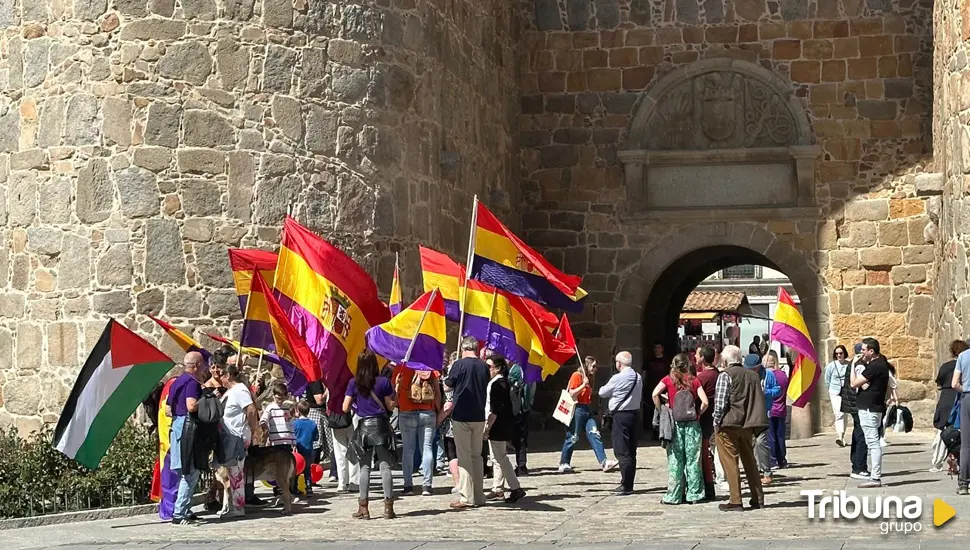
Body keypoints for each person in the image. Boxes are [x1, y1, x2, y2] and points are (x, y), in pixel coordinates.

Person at [712, 345, 767, 511]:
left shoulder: (725, 376)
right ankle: (758, 497)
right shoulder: (753, 375)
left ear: (727, 360)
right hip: (748, 423)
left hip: (729, 424)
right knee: (750, 461)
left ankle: (735, 499)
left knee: (730, 462)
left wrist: (716, 423)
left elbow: (720, 403)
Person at [344, 350, 397, 519]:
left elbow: (345, 407)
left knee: (364, 468)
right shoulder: (384, 382)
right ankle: (388, 507)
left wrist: (357, 407)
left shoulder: (353, 383)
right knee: (385, 467)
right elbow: (390, 406)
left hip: (364, 427)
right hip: (381, 426)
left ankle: (363, 508)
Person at [652, 353, 708, 505]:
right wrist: (698, 413)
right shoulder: (694, 380)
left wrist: (663, 409)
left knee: (676, 460)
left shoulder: (668, 380)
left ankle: (674, 495)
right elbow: (705, 402)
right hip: (692, 425)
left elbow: (655, 394)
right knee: (693, 460)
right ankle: (694, 494)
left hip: (675, 424)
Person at [445, 337, 490, 509]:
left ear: (463, 349)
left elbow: (448, 386)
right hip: (479, 415)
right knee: (477, 456)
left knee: (464, 457)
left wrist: (449, 373)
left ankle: (466, 497)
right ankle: (479, 495)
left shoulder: (459, 364)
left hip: (462, 415)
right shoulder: (483, 366)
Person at [559, 357, 618, 473]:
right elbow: (571, 393)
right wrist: (583, 385)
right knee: (573, 437)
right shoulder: (577, 375)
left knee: (594, 434)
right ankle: (564, 463)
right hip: (577, 409)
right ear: (587, 365)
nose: (595, 369)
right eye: (593, 366)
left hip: (587, 409)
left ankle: (604, 461)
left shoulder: (589, 378)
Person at [214, 364, 259, 518]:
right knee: (231, 470)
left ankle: (238, 507)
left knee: (236, 471)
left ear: (228, 375)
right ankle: (233, 505)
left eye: (221, 374)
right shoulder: (230, 391)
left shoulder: (240, 389)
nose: (219, 378)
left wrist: (253, 430)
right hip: (229, 436)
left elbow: (251, 409)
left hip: (237, 435)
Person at [166, 351, 205, 525]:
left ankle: (185, 509)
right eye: (202, 364)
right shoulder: (192, 382)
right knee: (190, 473)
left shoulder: (177, 382)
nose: (203, 367)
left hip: (176, 427)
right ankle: (180, 513)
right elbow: (191, 406)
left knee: (183, 471)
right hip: (187, 429)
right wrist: (207, 401)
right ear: (196, 365)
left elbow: (167, 409)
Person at [483, 356, 527, 503]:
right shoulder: (500, 382)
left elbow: (495, 409)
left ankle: (515, 487)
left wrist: (487, 427)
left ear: (498, 368)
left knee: (500, 457)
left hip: (498, 424)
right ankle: (498, 488)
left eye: (489, 367)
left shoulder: (498, 384)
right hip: (501, 423)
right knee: (496, 457)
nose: (487, 369)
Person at [393, 362, 441, 496]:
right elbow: (437, 392)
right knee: (427, 448)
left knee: (408, 450)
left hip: (406, 412)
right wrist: (438, 411)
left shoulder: (401, 367)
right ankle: (427, 485)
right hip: (427, 412)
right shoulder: (429, 366)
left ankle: (408, 485)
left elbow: (394, 390)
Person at [599, 351, 642, 496]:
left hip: (621, 416)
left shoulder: (617, 378)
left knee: (622, 450)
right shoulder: (638, 377)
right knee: (631, 450)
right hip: (635, 415)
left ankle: (626, 485)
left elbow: (602, 392)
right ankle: (629, 482)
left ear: (619, 363)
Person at [851, 337, 891, 488]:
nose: (862, 353)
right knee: (872, 441)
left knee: (873, 443)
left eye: (864, 350)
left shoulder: (875, 366)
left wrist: (853, 366)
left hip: (869, 408)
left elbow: (854, 383)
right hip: (873, 407)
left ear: (871, 351)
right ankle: (875, 475)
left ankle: (875, 477)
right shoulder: (879, 364)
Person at [744, 353, 778, 485]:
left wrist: (766, 392)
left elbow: (778, 390)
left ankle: (767, 472)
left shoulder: (768, 375)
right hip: (748, 414)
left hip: (764, 412)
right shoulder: (746, 375)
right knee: (751, 444)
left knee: (761, 442)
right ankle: (755, 472)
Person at [695, 346, 720, 501]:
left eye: (698, 356)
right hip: (715, 418)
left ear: (703, 358)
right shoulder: (719, 374)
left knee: (704, 454)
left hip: (704, 419)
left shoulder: (703, 378)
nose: (696, 358)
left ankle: (708, 486)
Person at [842, 343, 870, 480]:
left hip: (853, 404)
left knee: (857, 433)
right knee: (862, 436)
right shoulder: (859, 366)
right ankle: (859, 467)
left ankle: (856, 463)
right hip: (858, 404)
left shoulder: (854, 365)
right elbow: (863, 386)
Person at [508, 362, 533, 476]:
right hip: (525, 407)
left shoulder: (517, 370)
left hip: (519, 408)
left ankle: (521, 466)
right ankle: (521, 465)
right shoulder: (528, 368)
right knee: (521, 438)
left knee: (519, 438)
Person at [936, 340, 968, 431]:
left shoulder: (945, 366)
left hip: (945, 399)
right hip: (958, 399)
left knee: (946, 433)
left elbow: (939, 384)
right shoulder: (965, 364)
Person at [951, 341, 970, 494]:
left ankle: (963, 484)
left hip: (968, 397)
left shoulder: (963, 356)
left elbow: (954, 384)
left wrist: (965, 390)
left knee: (966, 444)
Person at [765, 351, 789, 469]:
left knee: (771, 437)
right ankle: (782, 459)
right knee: (780, 436)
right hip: (781, 409)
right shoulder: (783, 375)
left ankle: (773, 460)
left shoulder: (766, 375)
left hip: (770, 409)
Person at [824, 345, 851, 446]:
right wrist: (831, 389)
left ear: (844, 353)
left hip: (846, 392)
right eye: (837, 354)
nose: (839, 355)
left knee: (845, 414)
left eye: (841, 353)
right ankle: (839, 436)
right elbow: (827, 380)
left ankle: (842, 436)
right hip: (835, 392)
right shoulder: (831, 366)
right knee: (839, 413)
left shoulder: (849, 365)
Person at [292, 401, 319, 496]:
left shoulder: (295, 424)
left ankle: (295, 488)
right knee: (307, 470)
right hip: (309, 451)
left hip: (298, 451)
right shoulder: (313, 424)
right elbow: (316, 437)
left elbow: (292, 436)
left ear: (297, 411)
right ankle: (309, 488)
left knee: (296, 471)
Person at [643, 344, 667, 439]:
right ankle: (654, 432)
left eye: (659, 348)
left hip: (664, 389)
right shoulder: (649, 360)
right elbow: (644, 373)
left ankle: (662, 433)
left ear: (662, 349)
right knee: (652, 411)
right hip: (651, 388)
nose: (657, 350)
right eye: (656, 348)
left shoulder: (666, 361)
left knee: (662, 411)